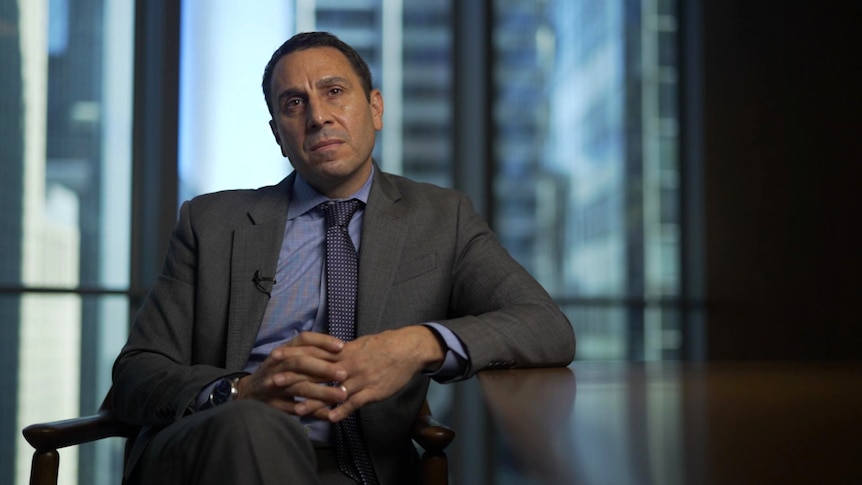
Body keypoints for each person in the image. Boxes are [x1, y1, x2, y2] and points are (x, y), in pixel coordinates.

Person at [112, 31, 575, 485]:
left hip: (366, 466)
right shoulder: (210, 222)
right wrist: (242, 391)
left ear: (375, 108)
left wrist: (415, 345)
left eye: (334, 92)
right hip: (214, 451)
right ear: (278, 134)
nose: (318, 117)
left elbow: (546, 326)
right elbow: (137, 371)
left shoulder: (441, 218)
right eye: (294, 103)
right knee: (251, 426)